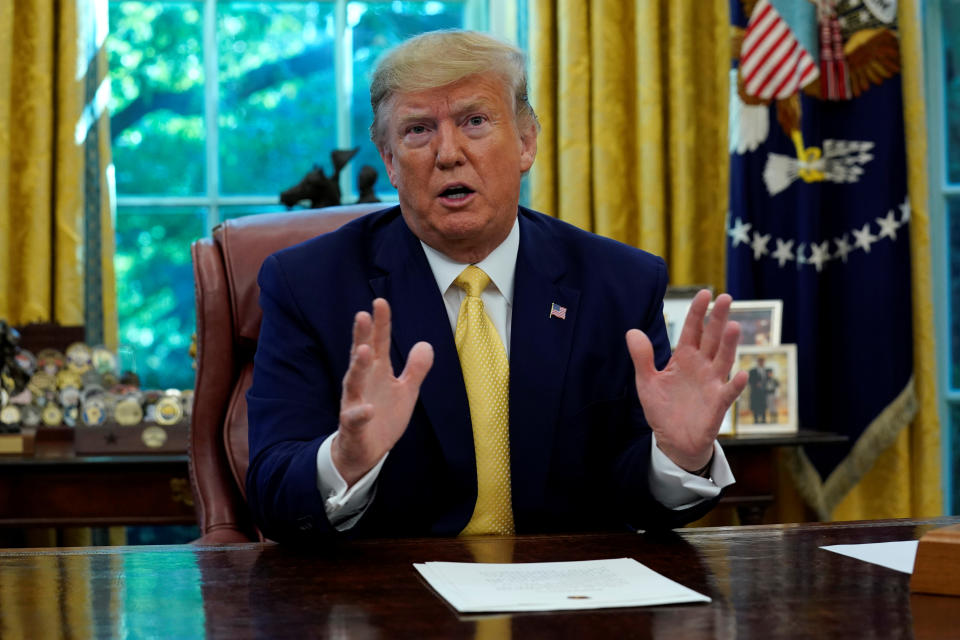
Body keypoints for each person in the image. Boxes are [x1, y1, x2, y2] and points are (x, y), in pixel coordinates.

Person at [246, 30, 748, 544]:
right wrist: (345, 461)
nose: (448, 153)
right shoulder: (309, 284)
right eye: (418, 130)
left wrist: (679, 457)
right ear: (391, 162)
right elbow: (269, 492)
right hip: (392, 603)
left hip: (567, 600)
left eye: (475, 121)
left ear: (526, 142)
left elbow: (631, 496)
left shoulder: (619, 283)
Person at [747, 357, 768, 423]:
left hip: (763, 392)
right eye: (760, 361)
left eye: (762, 361)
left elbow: (768, 380)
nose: (761, 363)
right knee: (756, 406)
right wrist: (755, 384)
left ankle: (763, 419)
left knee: (763, 406)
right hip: (755, 392)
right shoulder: (752, 371)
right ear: (758, 362)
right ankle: (755, 420)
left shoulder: (766, 371)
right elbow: (749, 380)